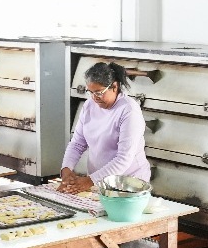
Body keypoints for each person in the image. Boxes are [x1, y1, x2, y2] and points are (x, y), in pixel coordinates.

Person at [59, 62, 151, 194]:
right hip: (99, 182)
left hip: (128, 185)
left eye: (99, 92)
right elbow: (77, 144)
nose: (94, 98)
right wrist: (66, 170)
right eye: (90, 92)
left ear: (114, 86)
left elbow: (123, 159)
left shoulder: (129, 111)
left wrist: (89, 181)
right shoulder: (89, 105)